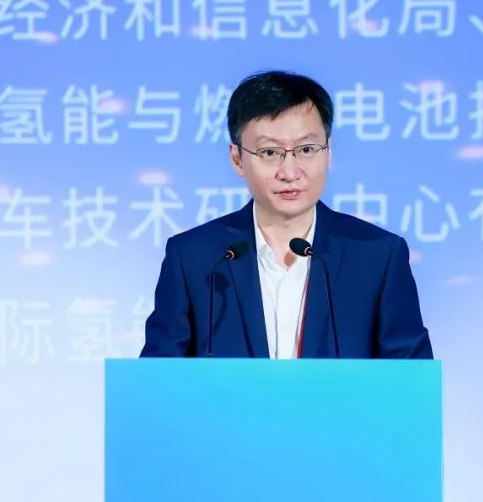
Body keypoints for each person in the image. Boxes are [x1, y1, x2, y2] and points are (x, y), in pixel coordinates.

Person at [140, 70, 432, 359]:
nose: (290, 172)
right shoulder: (195, 258)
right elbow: (156, 378)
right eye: (269, 153)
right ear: (237, 158)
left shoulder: (378, 256)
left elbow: (411, 378)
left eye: (306, 149)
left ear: (328, 151)